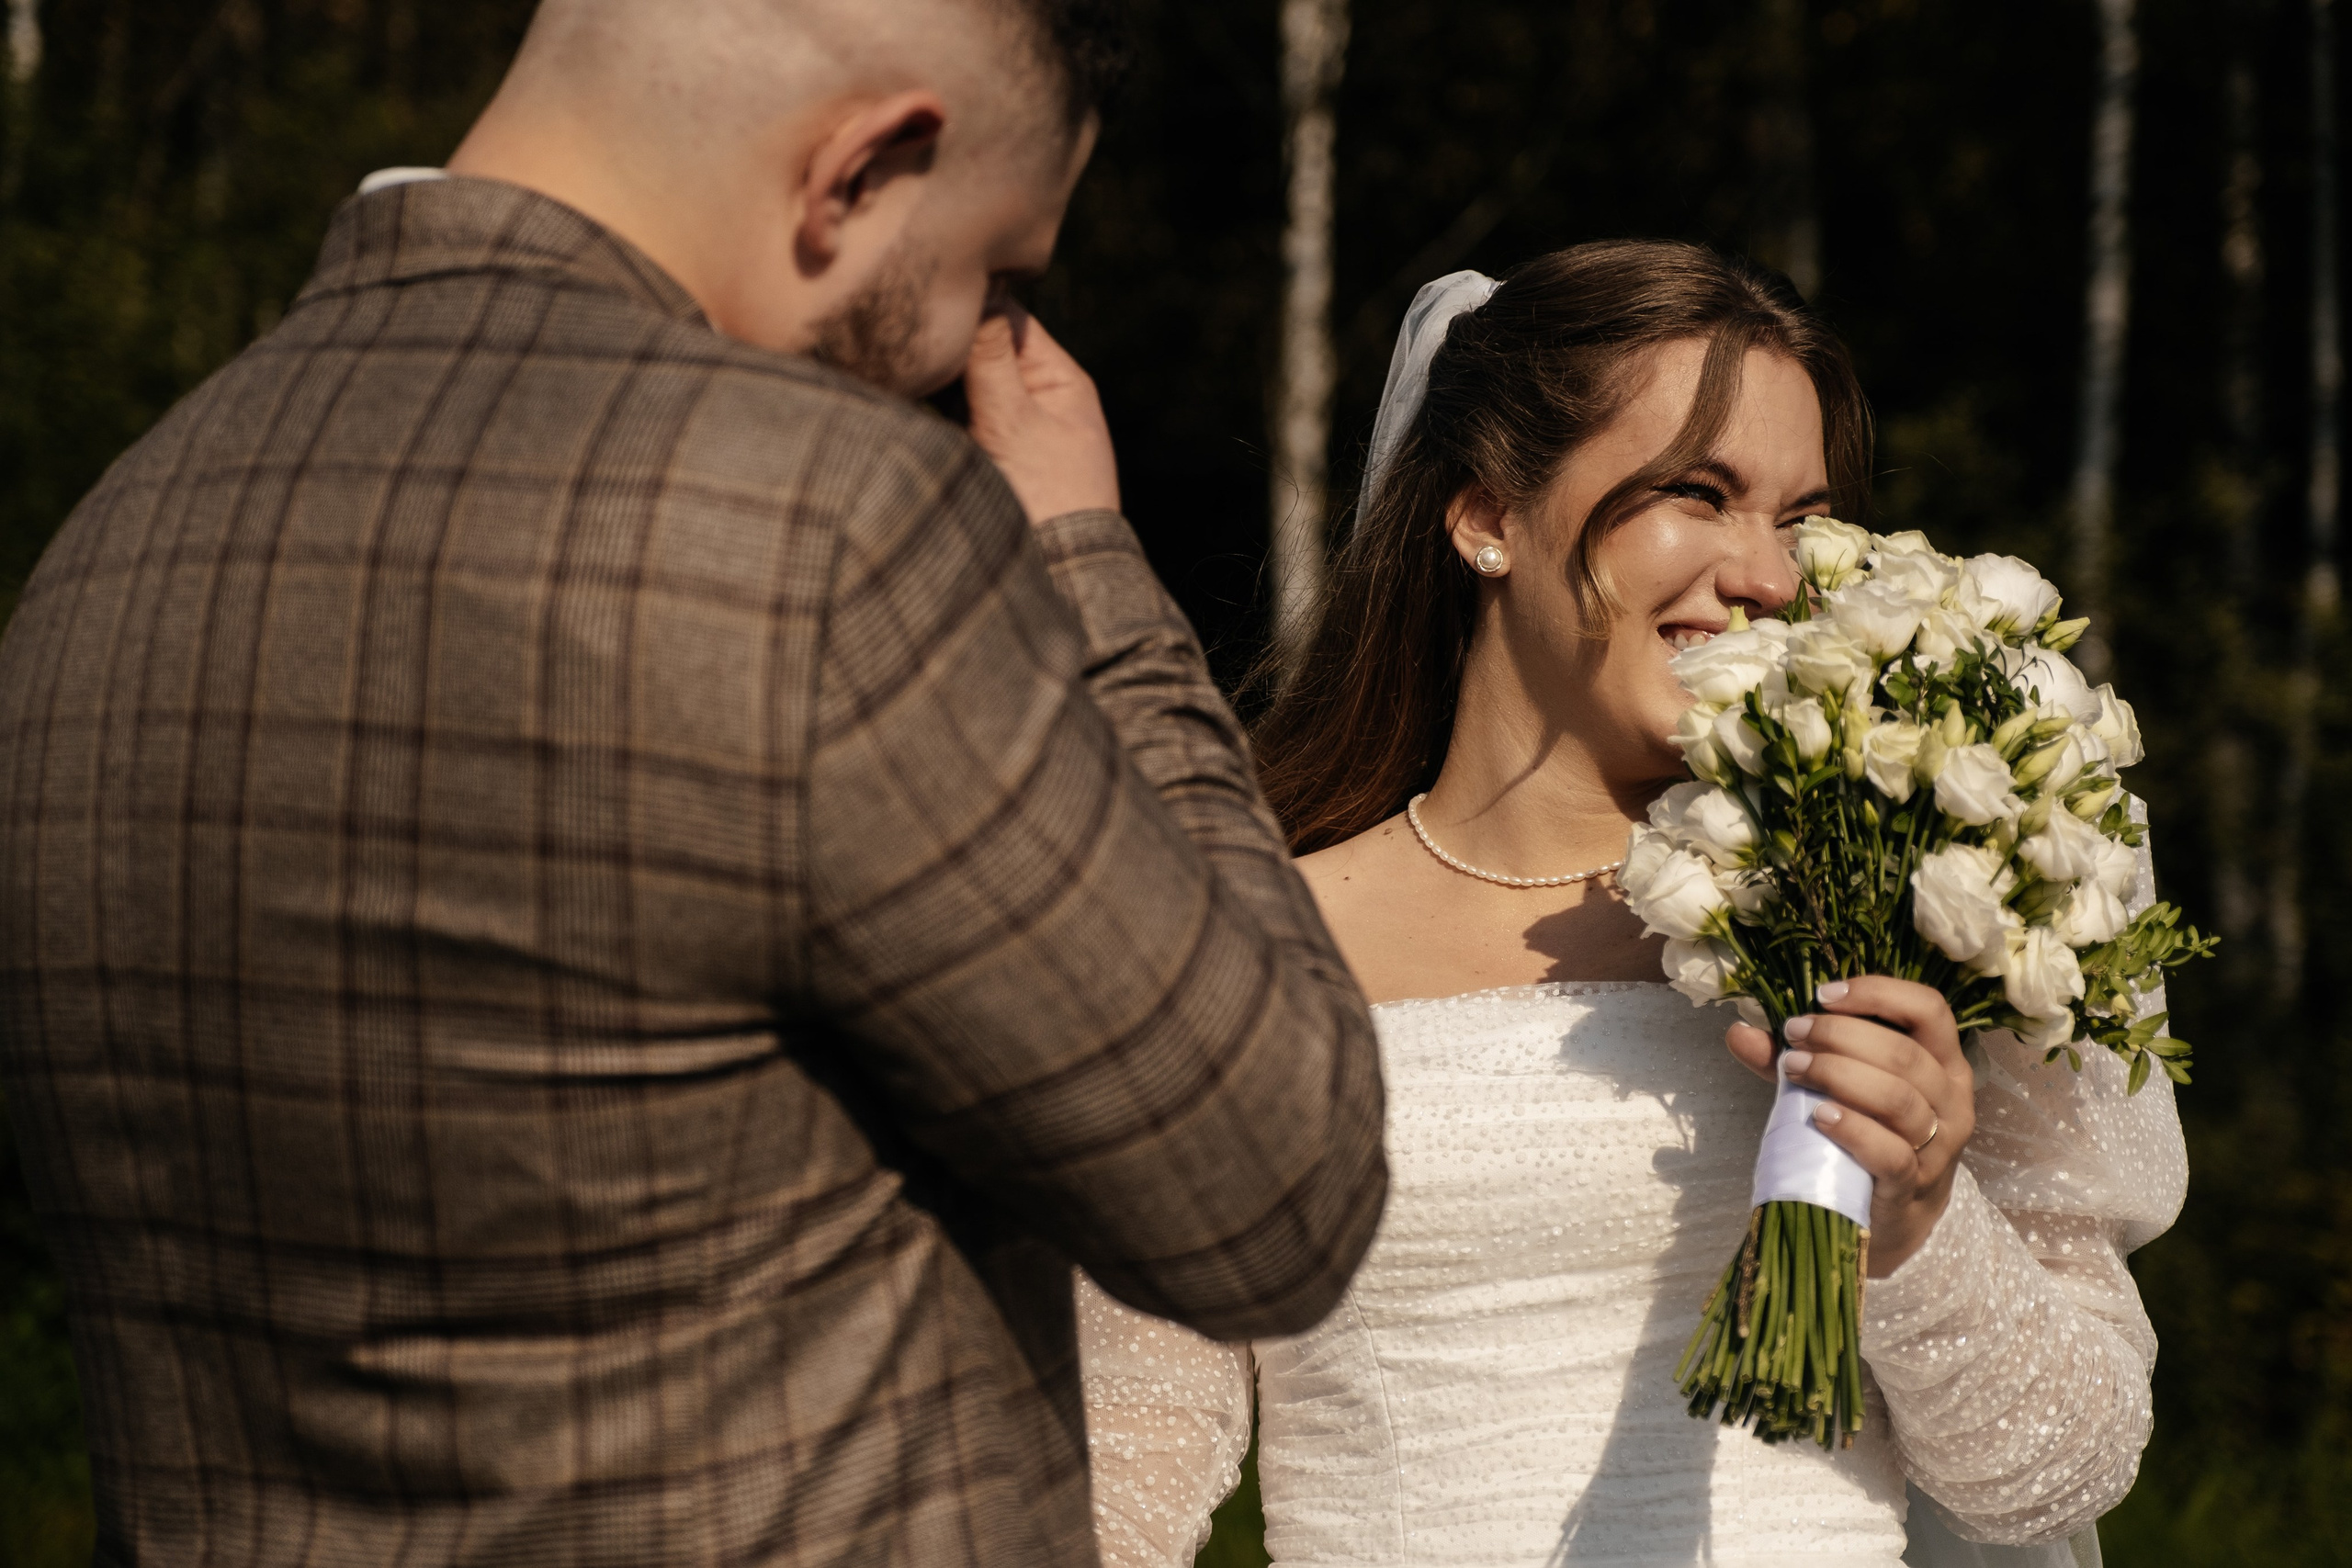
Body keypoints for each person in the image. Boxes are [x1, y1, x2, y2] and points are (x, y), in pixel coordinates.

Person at [0, 2, 1390, 1563]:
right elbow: (1276, 1193)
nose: (975, 349)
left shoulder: (109, 549)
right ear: (859, 172)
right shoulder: (816, 525)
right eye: (1000, 276)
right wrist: (1088, 572)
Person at [1076, 243, 2184, 1567]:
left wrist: (1919, 1224)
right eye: (1698, 494)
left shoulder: (1899, 911)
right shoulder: (1235, 949)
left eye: (1799, 518)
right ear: (1487, 513)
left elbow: (2062, 1474)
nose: (1768, 574)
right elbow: (1116, 1485)